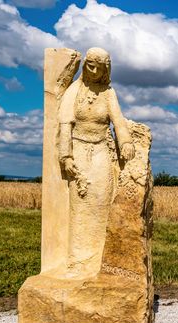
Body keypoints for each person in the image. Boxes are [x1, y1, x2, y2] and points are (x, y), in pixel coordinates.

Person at [58, 47, 135, 279]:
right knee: (80, 206)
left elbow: (118, 121)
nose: (92, 69)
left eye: (97, 66)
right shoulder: (75, 90)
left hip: (101, 151)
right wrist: (66, 156)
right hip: (79, 151)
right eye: (89, 64)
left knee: (102, 202)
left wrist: (126, 142)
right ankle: (78, 260)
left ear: (105, 68)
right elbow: (65, 125)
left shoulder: (108, 92)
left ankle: (101, 258)